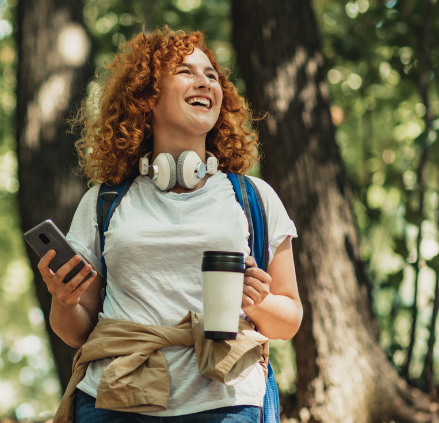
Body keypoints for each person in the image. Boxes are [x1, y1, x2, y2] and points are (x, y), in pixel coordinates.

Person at [37, 28, 302, 422]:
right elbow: (76, 331)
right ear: (146, 95)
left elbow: (290, 319)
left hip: (226, 401)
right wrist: (64, 297)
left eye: (211, 75)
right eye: (185, 71)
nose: (204, 82)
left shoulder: (253, 197)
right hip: (115, 400)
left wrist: (257, 301)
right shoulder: (104, 201)